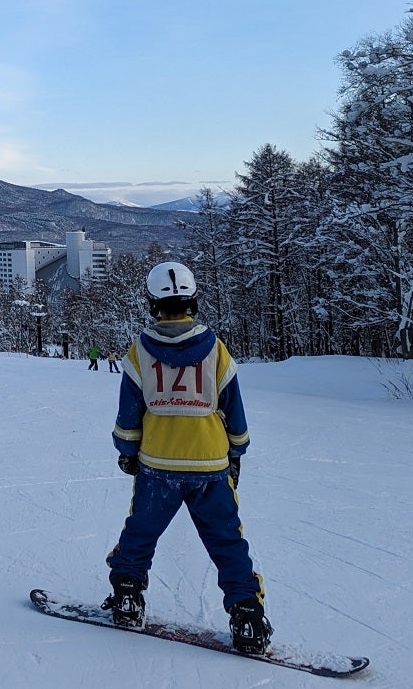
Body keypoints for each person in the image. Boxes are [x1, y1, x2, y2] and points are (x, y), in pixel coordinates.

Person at [103, 260, 271, 654]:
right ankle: (247, 616)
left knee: (141, 532)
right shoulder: (215, 349)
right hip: (209, 465)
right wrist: (237, 450)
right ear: (193, 300)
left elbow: (130, 413)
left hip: (158, 464)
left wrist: (127, 451)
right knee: (227, 540)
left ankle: (127, 595)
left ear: (153, 303)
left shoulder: (139, 352)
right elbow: (233, 407)